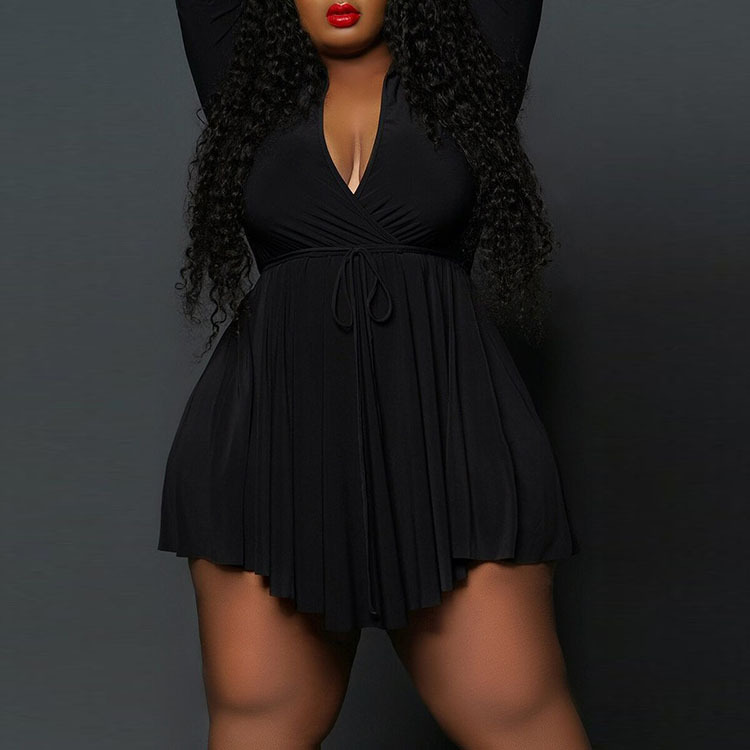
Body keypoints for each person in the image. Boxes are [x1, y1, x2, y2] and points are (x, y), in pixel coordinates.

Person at [158, 1, 591, 747]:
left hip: (454, 439)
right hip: (268, 447)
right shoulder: (242, 78)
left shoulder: (471, 75)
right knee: (258, 723)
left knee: (520, 718)